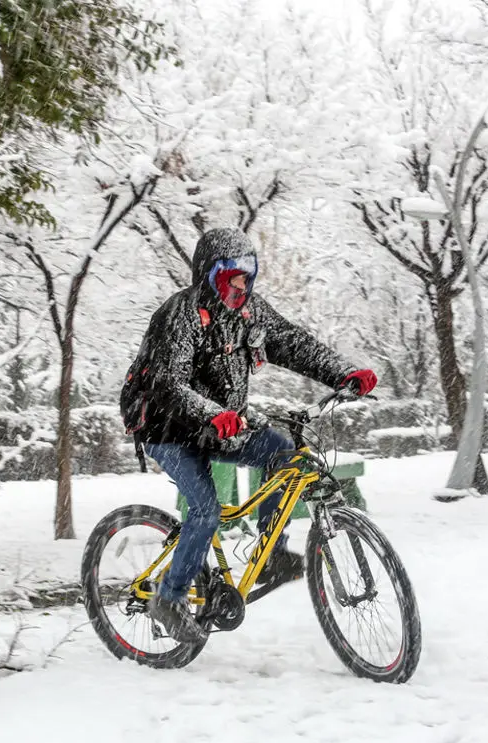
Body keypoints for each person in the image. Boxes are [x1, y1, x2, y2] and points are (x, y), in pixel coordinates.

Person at [119, 228, 377, 643]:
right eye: (232, 277)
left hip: (219, 427)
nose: (242, 285)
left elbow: (293, 342)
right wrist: (212, 412)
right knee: (206, 511)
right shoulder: (179, 315)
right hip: (167, 427)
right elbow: (167, 382)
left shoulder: (249, 313)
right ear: (208, 274)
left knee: (284, 450)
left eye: (247, 276)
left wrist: (343, 372)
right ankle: (168, 597)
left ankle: (272, 552)